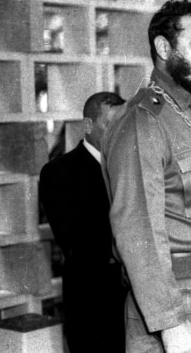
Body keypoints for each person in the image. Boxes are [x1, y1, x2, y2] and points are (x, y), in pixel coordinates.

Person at [102, 0, 191, 353]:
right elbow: (138, 231)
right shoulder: (143, 120)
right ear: (163, 48)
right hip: (182, 300)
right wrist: (169, 323)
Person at [39, 91, 127, 353]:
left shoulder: (128, 166)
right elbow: (75, 242)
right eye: (110, 125)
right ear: (88, 126)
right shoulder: (59, 171)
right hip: (92, 301)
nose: (118, 134)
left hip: (131, 302)